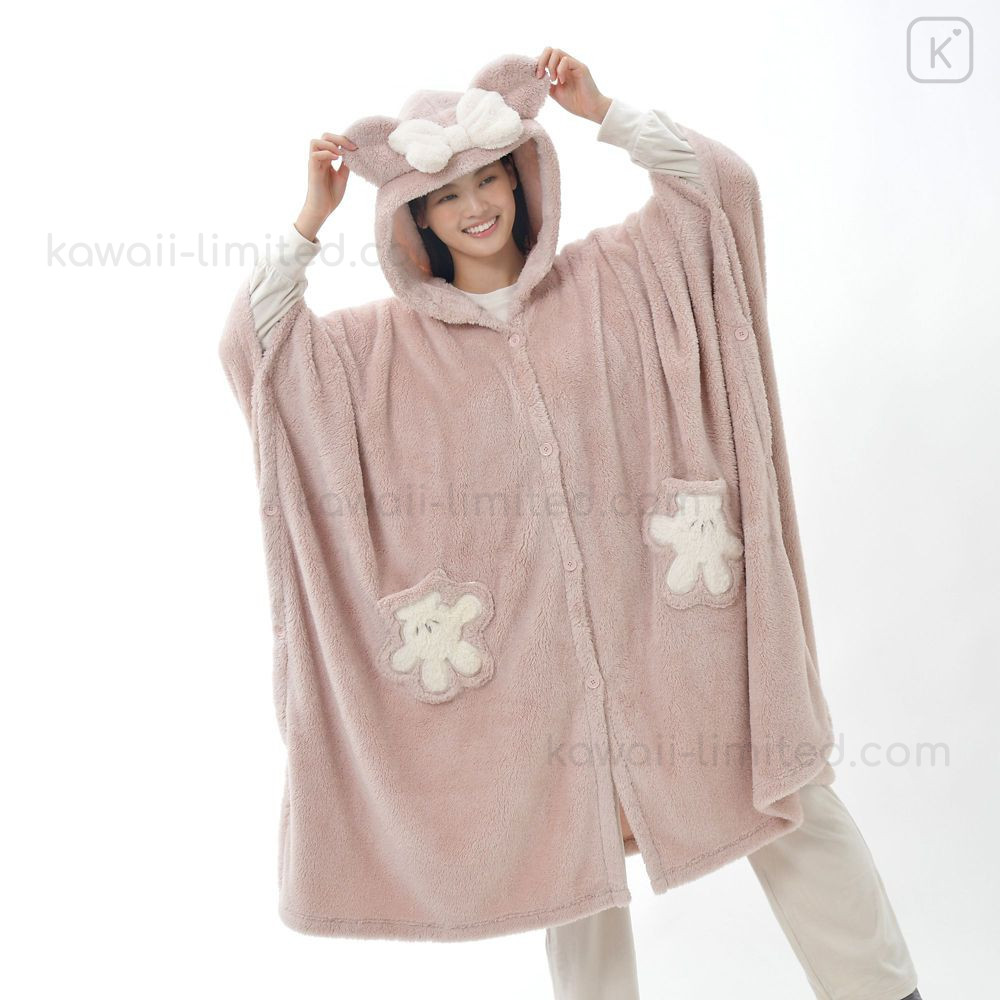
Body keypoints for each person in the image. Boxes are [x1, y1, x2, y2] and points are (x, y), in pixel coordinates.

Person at [225, 48, 923, 1000]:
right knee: (567, 861)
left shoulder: (617, 277)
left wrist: (607, 113)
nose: (476, 206)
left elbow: (719, 192)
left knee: (785, 791)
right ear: (415, 219)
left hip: (677, 620)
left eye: (488, 179)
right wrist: (310, 220)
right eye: (445, 196)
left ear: (520, 178)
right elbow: (256, 349)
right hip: (524, 662)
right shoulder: (378, 353)